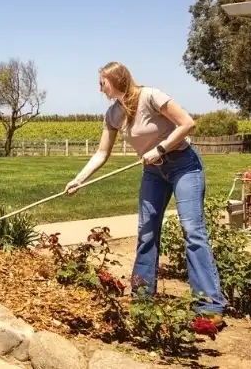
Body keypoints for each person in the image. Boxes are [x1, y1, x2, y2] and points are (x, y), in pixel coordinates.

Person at [64, 61, 226, 328]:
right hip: (154, 173)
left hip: (184, 165)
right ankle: (141, 299)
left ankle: (209, 306)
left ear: (116, 79)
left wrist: (160, 148)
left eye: (102, 82)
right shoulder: (113, 114)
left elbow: (187, 123)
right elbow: (102, 153)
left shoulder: (151, 96)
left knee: (192, 231)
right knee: (147, 232)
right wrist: (79, 180)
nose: (99, 88)